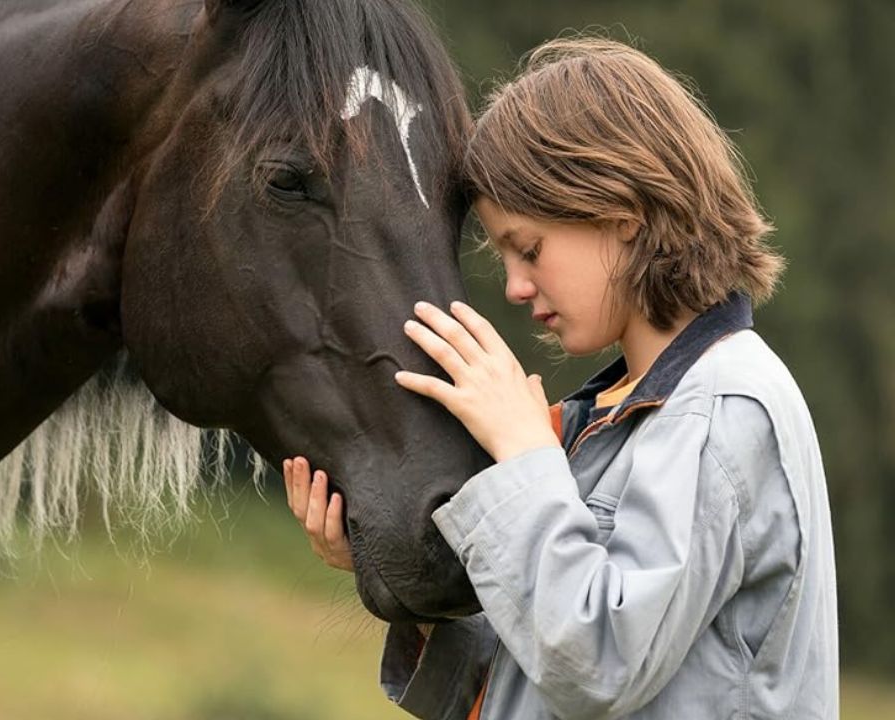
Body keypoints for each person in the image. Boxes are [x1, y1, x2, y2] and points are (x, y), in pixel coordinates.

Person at [283, 37, 838, 720]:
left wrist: (522, 458)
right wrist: (388, 568)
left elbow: (601, 663)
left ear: (620, 216)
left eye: (530, 248)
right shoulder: (620, 414)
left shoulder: (721, 405)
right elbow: (538, 679)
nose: (514, 287)